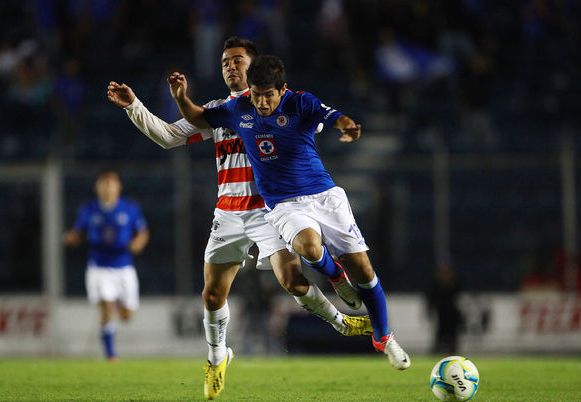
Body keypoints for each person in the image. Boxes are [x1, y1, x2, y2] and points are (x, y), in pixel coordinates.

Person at [107, 36, 372, 400]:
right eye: (225, 63)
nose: (230, 67)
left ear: (254, 66)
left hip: (271, 210)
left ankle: (341, 323)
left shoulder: (282, 103)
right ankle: (218, 357)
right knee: (212, 294)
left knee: (292, 281)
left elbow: (312, 121)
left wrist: (331, 125)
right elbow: (168, 137)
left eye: (237, 60)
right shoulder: (218, 112)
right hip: (229, 212)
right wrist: (134, 107)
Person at [169, 54, 411, 370]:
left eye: (268, 95)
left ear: (282, 89)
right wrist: (181, 97)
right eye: (256, 95)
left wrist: (348, 127)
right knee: (308, 246)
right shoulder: (238, 109)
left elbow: (335, 116)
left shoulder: (300, 102)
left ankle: (384, 338)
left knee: (363, 269)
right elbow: (198, 117)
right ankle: (336, 276)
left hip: (325, 196)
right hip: (283, 204)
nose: (261, 102)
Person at [63, 169, 150, 361]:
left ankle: (116, 304)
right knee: (106, 309)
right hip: (99, 268)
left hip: (124, 267)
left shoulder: (130, 208)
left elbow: (142, 232)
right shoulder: (89, 210)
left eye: (111, 185)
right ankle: (111, 355)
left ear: (119, 187)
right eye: (104, 185)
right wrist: (71, 238)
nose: (108, 189)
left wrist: (138, 243)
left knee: (126, 316)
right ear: (97, 188)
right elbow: (78, 233)